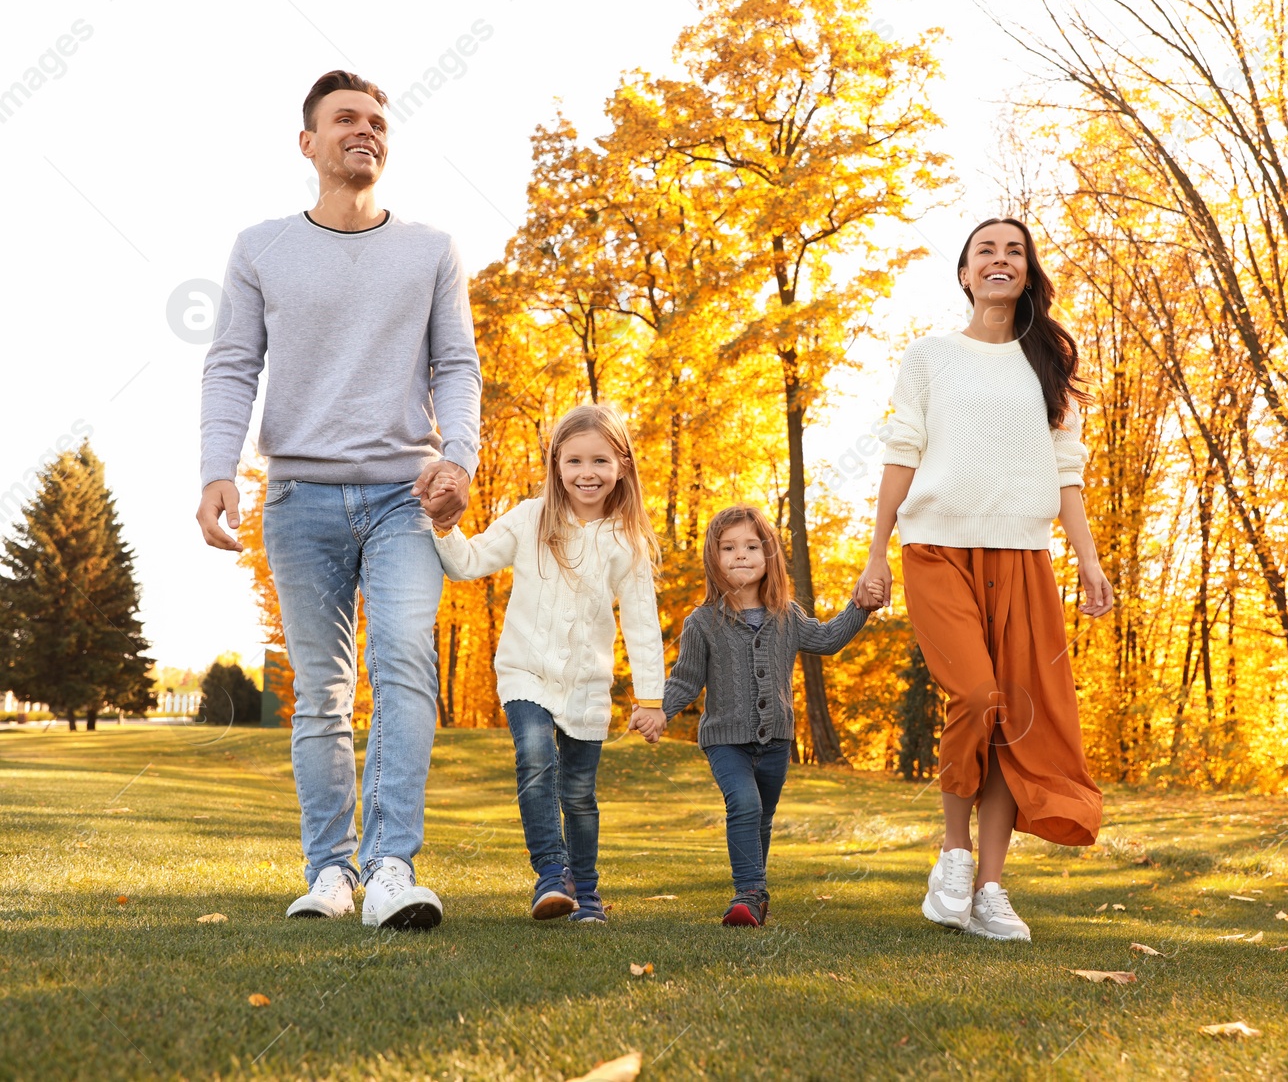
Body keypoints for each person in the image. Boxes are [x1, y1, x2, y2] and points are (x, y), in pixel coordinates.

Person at [197, 70, 481, 929]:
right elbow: (232, 363)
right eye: (346, 119)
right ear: (309, 143)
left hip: (404, 496)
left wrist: (458, 459)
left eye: (377, 121)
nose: (366, 131)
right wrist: (218, 467)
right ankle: (330, 873)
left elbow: (457, 365)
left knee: (403, 665)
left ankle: (392, 866)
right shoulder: (260, 247)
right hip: (299, 500)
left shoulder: (431, 248)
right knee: (320, 691)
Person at [855, 217, 1113, 943]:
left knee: (1013, 721)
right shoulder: (931, 356)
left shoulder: (1050, 359)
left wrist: (1087, 559)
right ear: (966, 275)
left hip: (1023, 556)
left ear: (1027, 272)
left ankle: (991, 891)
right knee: (975, 695)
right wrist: (876, 552)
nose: (1000, 261)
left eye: (1014, 252)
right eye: (985, 252)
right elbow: (903, 452)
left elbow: (1068, 472)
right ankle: (954, 857)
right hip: (937, 547)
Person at [426, 405, 663, 924]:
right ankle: (551, 875)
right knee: (535, 756)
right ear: (556, 463)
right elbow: (469, 564)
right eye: (574, 460)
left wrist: (651, 699)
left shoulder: (628, 540)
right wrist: (444, 527)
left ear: (622, 465)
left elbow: (642, 624)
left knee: (579, 793)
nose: (587, 473)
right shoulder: (530, 517)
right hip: (524, 671)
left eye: (600, 460)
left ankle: (588, 894)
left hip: (586, 685)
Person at [629, 505, 882, 926]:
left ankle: (756, 895)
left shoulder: (788, 616)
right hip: (726, 740)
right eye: (728, 548)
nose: (740, 555)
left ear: (769, 558)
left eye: (750, 547)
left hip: (777, 741)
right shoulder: (702, 623)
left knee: (761, 816)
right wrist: (658, 711)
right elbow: (685, 681)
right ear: (714, 559)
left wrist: (861, 606)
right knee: (743, 805)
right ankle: (745, 893)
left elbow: (830, 638)